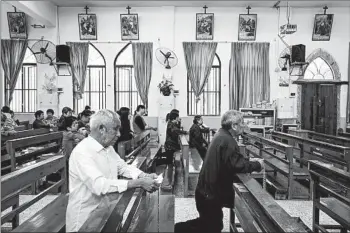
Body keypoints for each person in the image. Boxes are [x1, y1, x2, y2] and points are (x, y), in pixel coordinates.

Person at [66, 109, 160, 232]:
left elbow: (122, 167)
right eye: (115, 129)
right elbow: (99, 185)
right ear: (101, 129)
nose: (119, 134)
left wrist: (144, 175)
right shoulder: (82, 152)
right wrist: (139, 183)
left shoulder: (108, 148)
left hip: (106, 209)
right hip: (86, 218)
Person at [174, 110, 264, 233]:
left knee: (208, 224)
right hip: (209, 194)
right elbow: (237, 165)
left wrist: (248, 161)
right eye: (242, 122)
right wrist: (257, 165)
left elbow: (231, 159)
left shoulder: (222, 135)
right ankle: (172, 229)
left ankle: (173, 228)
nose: (244, 125)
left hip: (206, 191)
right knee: (210, 227)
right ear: (234, 126)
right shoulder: (227, 140)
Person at [161, 111, 187, 190]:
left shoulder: (172, 124)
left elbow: (177, 129)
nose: (179, 118)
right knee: (169, 164)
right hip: (169, 146)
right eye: (178, 117)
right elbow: (176, 131)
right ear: (175, 118)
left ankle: (168, 182)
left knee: (170, 164)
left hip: (170, 146)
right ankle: (165, 184)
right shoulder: (171, 125)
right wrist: (185, 132)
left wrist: (179, 123)